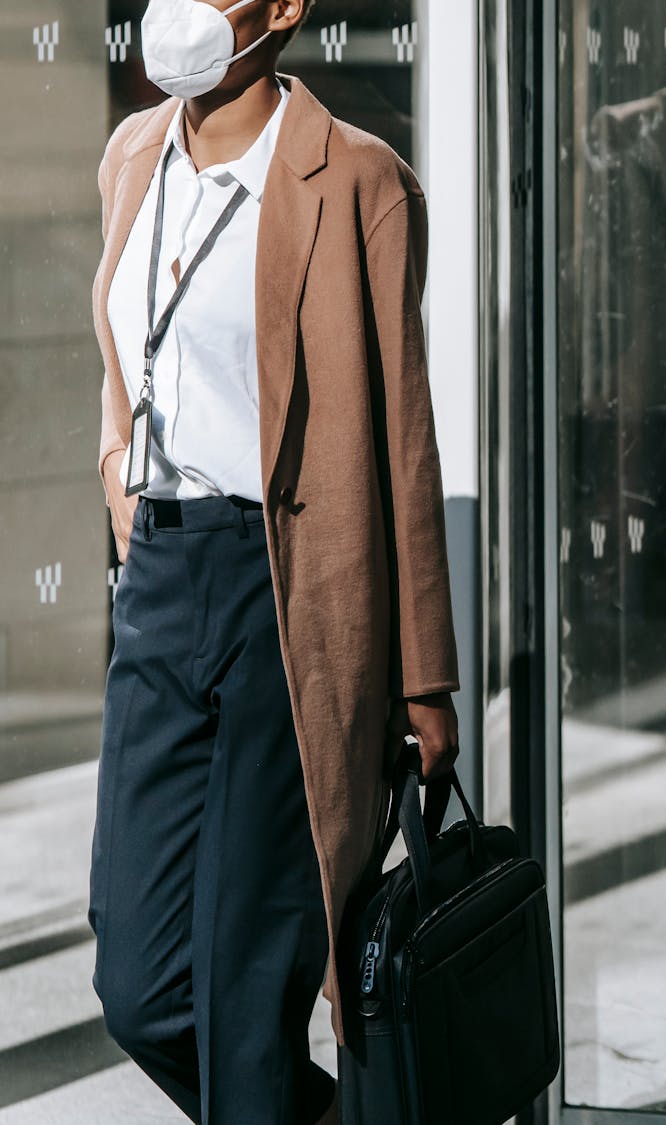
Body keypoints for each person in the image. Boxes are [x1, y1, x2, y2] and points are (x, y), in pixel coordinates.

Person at [86, 1, 461, 1122]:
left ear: (286, 7)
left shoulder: (358, 180)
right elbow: (124, 346)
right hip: (157, 584)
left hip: (290, 600)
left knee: (250, 1000)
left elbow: (405, 438)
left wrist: (423, 675)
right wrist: (118, 465)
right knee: (141, 986)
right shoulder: (130, 154)